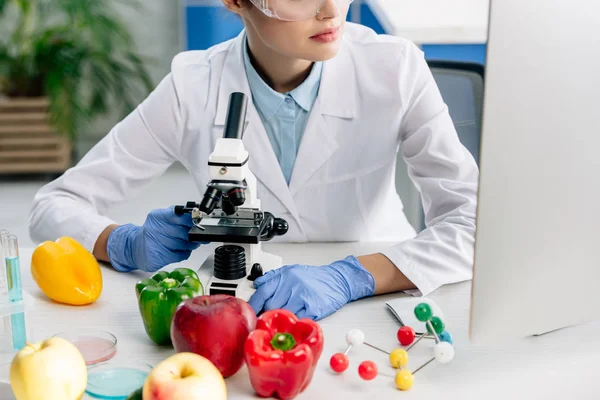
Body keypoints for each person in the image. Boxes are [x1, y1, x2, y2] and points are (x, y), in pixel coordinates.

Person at [28, 0, 479, 320]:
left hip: (384, 301)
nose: (331, 9)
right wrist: (123, 242)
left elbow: (477, 222)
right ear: (236, 1)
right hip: (238, 307)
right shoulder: (192, 86)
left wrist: (353, 276)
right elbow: (53, 206)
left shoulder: (395, 68)